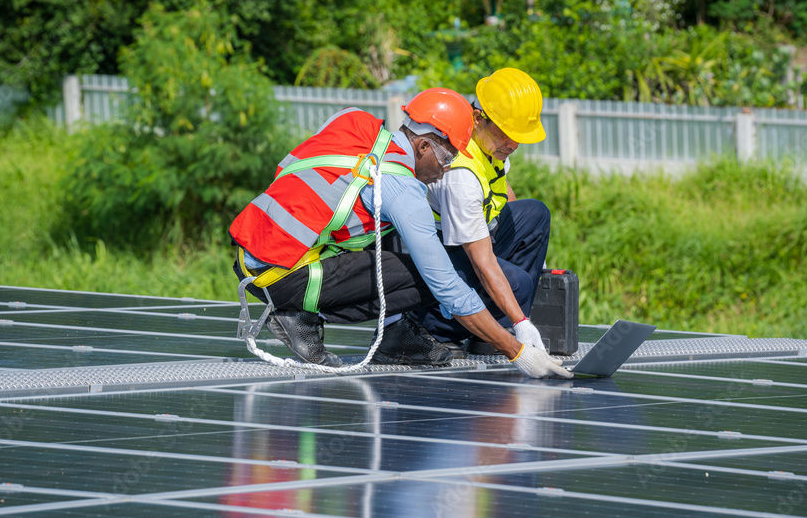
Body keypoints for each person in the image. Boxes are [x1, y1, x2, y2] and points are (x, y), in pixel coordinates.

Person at [228, 87, 570, 379]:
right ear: (423, 147)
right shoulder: (403, 191)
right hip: (281, 276)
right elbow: (447, 288)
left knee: (385, 239)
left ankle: (387, 331)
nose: (445, 172)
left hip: (252, 259)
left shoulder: (352, 121)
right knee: (429, 273)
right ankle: (299, 316)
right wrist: (517, 351)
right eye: (447, 159)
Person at [419, 68, 551, 355]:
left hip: (472, 238)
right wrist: (522, 321)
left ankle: (496, 326)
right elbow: (481, 262)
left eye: (518, 137)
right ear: (478, 118)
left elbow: (505, 192)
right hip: (440, 254)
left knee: (535, 214)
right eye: (506, 134)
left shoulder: (489, 144)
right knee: (519, 284)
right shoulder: (460, 175)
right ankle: (436, 329)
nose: (513, 145)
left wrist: (530, 251)